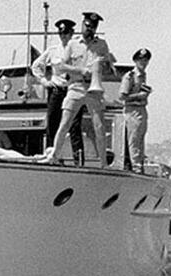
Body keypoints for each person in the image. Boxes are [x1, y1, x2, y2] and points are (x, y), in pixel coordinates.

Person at [40, 12, 115, 167]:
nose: (89, 29)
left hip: (94, 89)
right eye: (87, 26)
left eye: (93, 27)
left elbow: (110, 70)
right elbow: (61, 66)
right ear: (82, 26)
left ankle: (103, 163)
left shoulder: (101, 45)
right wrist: (80, 70)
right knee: (65, 123)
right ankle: (54, 155)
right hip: (76, 86)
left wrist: (104, 65)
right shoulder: (73, 44)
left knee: (99, 126)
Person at [30, 18, 85, 163]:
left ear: (72, 33)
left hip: (73, 90)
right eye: (61, 32)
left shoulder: (80, 49)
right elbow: (36, 66)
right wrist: (44, 82)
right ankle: (52, 157)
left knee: (74, 126)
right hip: (57, 90)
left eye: (66, 32)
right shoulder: (53, 50)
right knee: (53, 124)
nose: (63, 35)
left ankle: (78, 160)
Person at [120, 48, 152, 172]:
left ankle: (139, 164)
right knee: (134, 139)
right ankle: (136, 166)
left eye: (145, 60)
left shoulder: (143, 76)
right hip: (132, 110)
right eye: (141, 60)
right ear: (136, 61)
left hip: (141, 109)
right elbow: (122, 96)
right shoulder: (130, 76)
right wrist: (139, 96)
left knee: (140, 138)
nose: (143, 63)